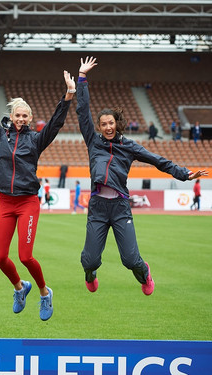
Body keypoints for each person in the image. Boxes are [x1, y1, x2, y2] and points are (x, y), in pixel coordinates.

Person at [76, 56, 208, 296]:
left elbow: (158, 160)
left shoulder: (129, 146)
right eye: (103, 123)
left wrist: (184, 174)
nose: (107, 127)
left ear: (117, 124)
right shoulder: (93, 141)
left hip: (119, 206)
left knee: (130, 260)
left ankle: (145, 274)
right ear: (99, 126)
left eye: (111, 123)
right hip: (97, 206)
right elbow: (82, 112)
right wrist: (82, 78)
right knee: (90, 261)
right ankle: (90, 273)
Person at [0, 52, 75, 321]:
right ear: (12, 116)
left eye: (25, 116)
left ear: (30, 118)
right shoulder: (0, 135)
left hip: (28, 201)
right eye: (17, 115)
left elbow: (55, 124)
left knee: (26, 256)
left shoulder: (36, 140)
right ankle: (20, 288)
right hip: (6, 202)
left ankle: (44, 293)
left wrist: (67, 96)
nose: (20, 118)